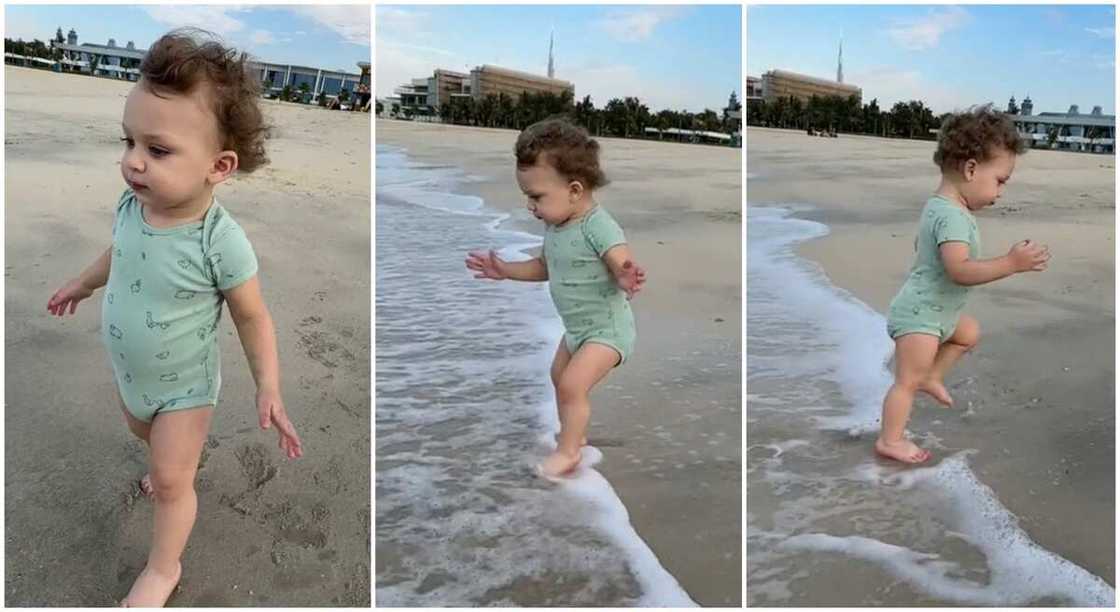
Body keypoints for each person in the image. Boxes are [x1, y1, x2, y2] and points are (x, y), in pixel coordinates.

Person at [46, 29, 303, 606]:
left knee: (170, 481)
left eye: (157, 151)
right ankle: (168, 464)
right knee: (143, 433)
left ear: (219, 165)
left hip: (184, 386)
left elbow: (252, 317)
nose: (133, 162)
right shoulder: (132, 205)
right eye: (128, 141)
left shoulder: (221, 241)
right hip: (133, 375)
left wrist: (269, 386)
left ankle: (163, 568)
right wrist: (82, 284)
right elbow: (120, 253)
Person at [465, 118, 646, 478]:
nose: (530, 206)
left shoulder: (598, 224)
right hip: (577, 329)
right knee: (558, 377)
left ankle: (568, 453)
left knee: (571, 385)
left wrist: (623, 273)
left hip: (607, 331)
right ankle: (573, 437)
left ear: (575, 190)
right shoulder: (556, 226)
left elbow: (618, 255)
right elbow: (545, 267)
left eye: (537, 197)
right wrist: (505, 270)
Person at [877, 104, 1050, 464]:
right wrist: (1010, 264)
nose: (1000, 193)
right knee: (905, 382)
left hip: (938, 313)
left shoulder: (948, 209)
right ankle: (890, 440)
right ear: (971, 169)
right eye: (1000, 180)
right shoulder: (951, 217)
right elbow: (959, 270)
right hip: (920, 315)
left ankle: (932, 376)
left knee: (968, 333)